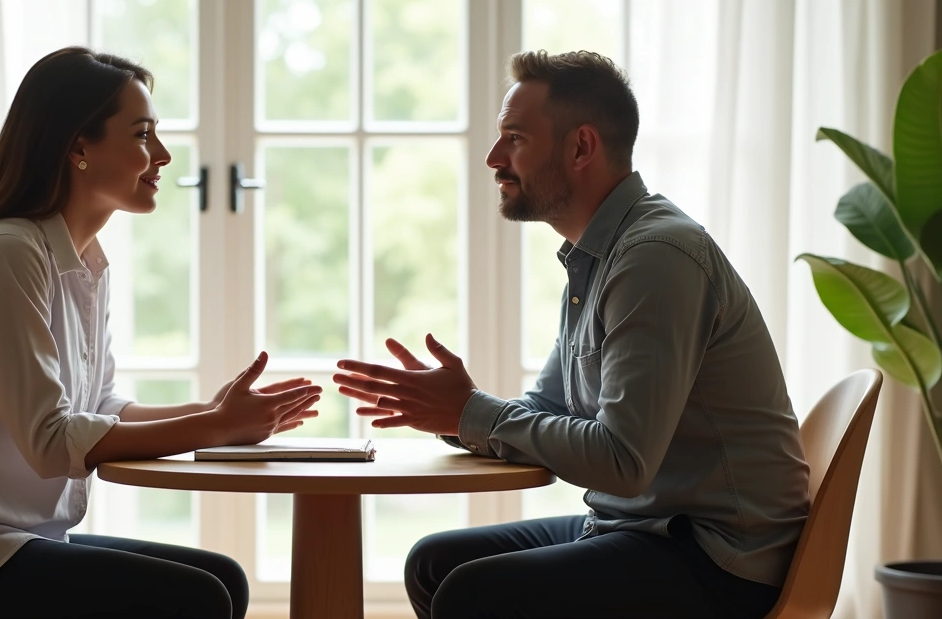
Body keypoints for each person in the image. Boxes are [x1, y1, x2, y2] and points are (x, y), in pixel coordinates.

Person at [333, 50, 810, 619]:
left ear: (581, 147)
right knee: (433, 564)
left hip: (715, 556)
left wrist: (471, 412)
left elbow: (622, 462)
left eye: (514, 138)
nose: (493, 158)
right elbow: (547, 407)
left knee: (473, 593)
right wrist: (451, 414)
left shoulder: (655, 257)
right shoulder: (598, 258)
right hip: (641, 525)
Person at [0, 47, 322, 619]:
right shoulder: (8, 253)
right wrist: (212, 426)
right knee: (199, 597)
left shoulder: (82, 262)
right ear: (78, 146)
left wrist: (211, 412)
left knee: (221, 578)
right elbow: (52, 440)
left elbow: (102, 406)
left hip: (16, 543)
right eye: (142, 135)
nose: (161, 155)